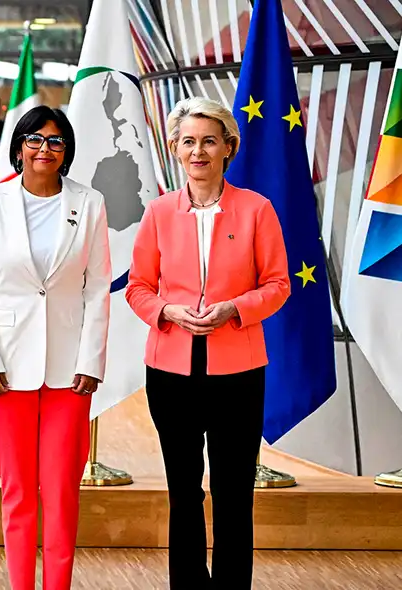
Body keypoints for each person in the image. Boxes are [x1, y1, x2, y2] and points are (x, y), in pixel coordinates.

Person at [126, 96, 291, 588]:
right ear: (176, 149)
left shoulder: (257, 209)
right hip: (171, 371)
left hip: (238, 372)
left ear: (227, 148)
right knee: (183, 492)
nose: (198, 151)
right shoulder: (157, 212)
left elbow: (279, 284)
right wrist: (166, 312)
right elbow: (137, 288)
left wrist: (235, 309)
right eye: (188, 141)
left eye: (209, 141)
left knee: (234, 491)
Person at [0, 105, 111, 590]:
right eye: (34, 139)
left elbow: (96, 288)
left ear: (66, 151)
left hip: (71, 371)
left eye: (54, 141)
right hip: (5, 368)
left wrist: (91, 360)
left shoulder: (89, 203)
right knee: (19, 490)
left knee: (63, 489)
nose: (44, 149)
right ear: (19, 147)